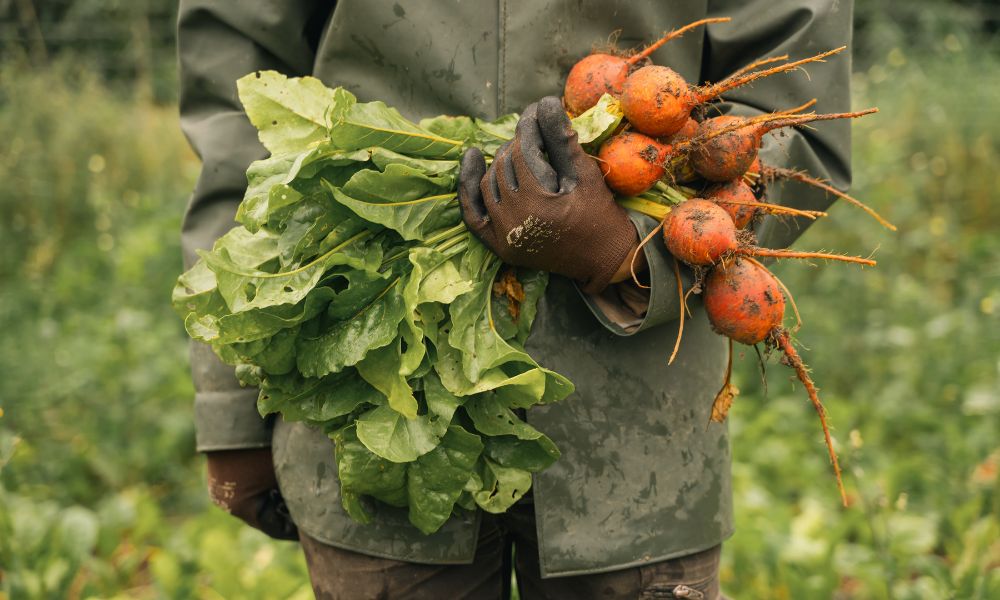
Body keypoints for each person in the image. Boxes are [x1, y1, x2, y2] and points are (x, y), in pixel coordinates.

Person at [177, 1, 854, 598]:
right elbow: (239, 104)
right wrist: (230, 406)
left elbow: (795, 111)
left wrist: (626, 249)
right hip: (371, 400)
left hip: (638, 432)